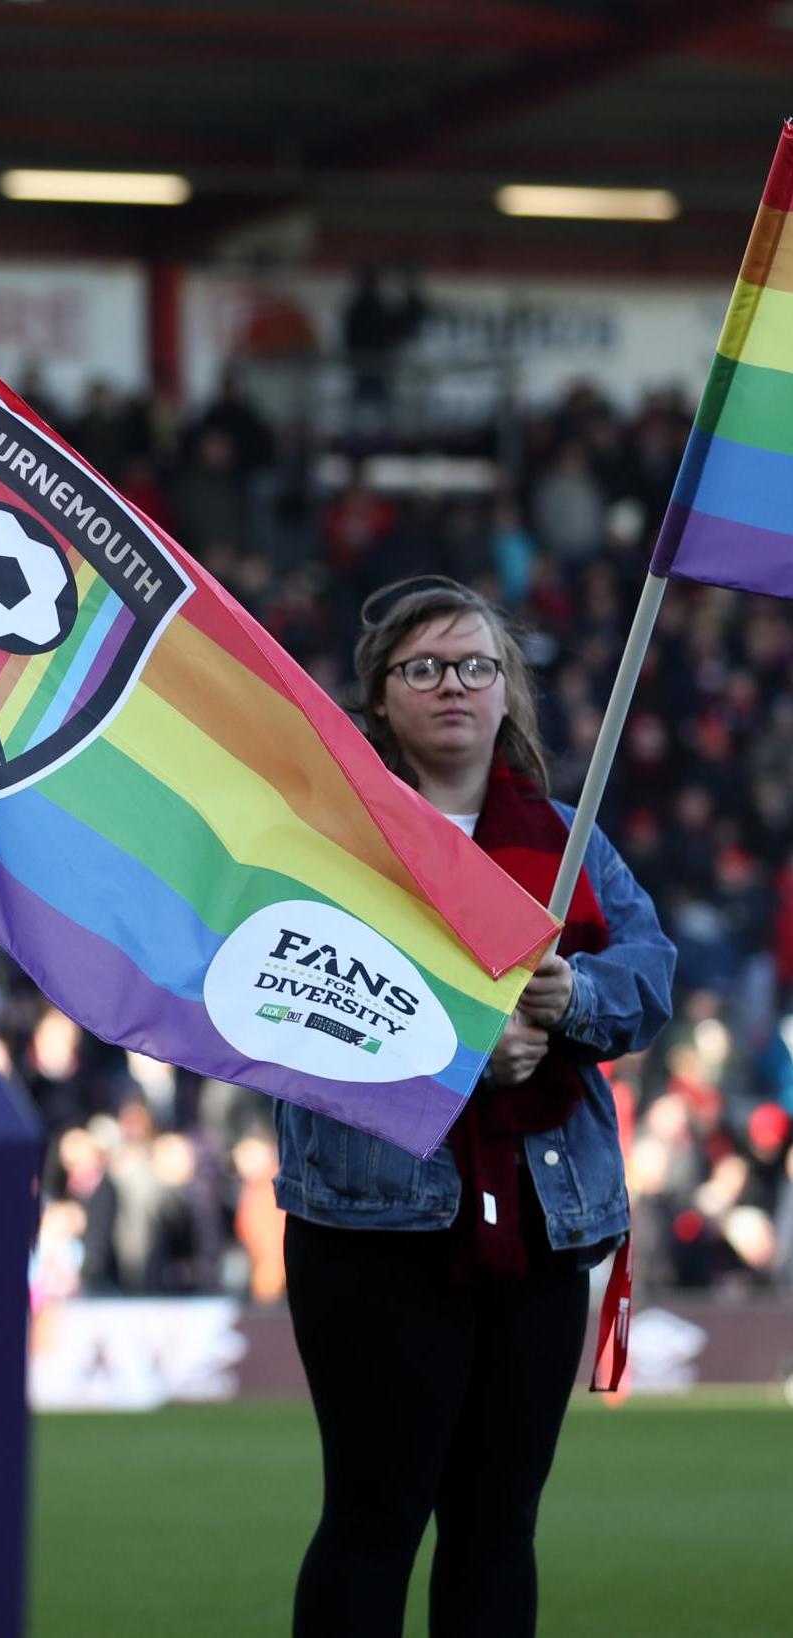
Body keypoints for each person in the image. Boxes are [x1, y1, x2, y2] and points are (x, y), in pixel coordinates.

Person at [275, 578, 674, 1638]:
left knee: (499, 1526)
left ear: (508, 695)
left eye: (476, 666)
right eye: (425, 667)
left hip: (543, 1228)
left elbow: (650, 975)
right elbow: (276, 1005)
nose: (454, 685)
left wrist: (571, 995)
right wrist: (452, 1049)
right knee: (372, 1519)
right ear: (380, 699)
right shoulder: (327, 842)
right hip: (368, 1223)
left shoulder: (564, 836)